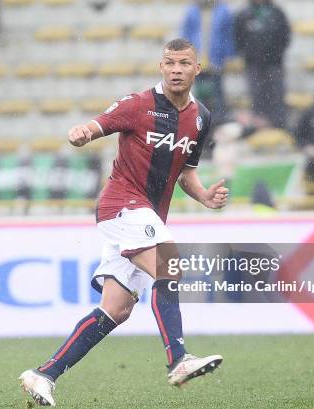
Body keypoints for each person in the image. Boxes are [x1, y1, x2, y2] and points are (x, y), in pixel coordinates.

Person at [18, 39, 229, 407]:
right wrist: (82, 132)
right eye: (169, 63)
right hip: (121, 205)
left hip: (145, 214)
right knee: (170, 267)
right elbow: (97, 125)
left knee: (116, 308)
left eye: (184, 63)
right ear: (160, 67)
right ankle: (178, 359)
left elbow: (186, 174)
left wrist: (205, 197)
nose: (176, 70)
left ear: (197, 69)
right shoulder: (138, 105)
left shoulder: (201, 117)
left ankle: (43, 374)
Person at [234, 0, 291, 128]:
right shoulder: (244, 14)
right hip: (253, 64)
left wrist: (275, 55)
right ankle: (259, 126)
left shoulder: (277, 13)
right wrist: (247, 54)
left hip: (274, 64)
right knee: (257, 95)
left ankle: (278, 126)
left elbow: (285, 36)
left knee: (276, 95)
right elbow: (238, 37)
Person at [180, 0, 235, 120]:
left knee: (217, 93)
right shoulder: (192, 11)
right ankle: (201, 122)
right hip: (197, 60)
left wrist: (228, 54)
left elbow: (228, 34)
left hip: (215, 60)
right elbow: (186, 34)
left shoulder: (223, 10)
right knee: (200, 94)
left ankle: (219, 120)